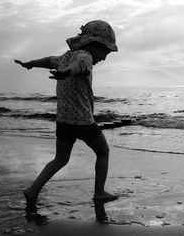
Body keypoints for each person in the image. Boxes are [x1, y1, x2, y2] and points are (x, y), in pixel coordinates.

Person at [14, 20, 119, 214]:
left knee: (60, 159)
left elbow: (48, 60)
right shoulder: (85, 56)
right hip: (83, 122)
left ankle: (33, 190)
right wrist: (67, 73)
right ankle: (99, 193)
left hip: (63, 122)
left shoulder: (65, 57)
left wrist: (31, 64)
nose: (105, 57)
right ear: (96, 45)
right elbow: (79, 66)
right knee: (103, 151)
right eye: (106, 51)